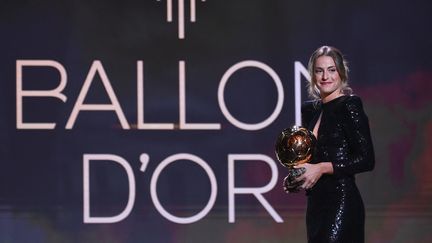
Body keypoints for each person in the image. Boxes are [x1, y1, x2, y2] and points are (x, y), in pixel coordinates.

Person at [292, 46, 375, 242]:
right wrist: (297, 178)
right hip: (315, 205)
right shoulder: (310, 110)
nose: (325, 77)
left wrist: (322, 168)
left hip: (342, 201)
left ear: (341, 73)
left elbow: (366, 159)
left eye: (331, 70)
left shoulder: (349, 105)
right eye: (319, 71)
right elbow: (311, 159)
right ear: (312, 75)